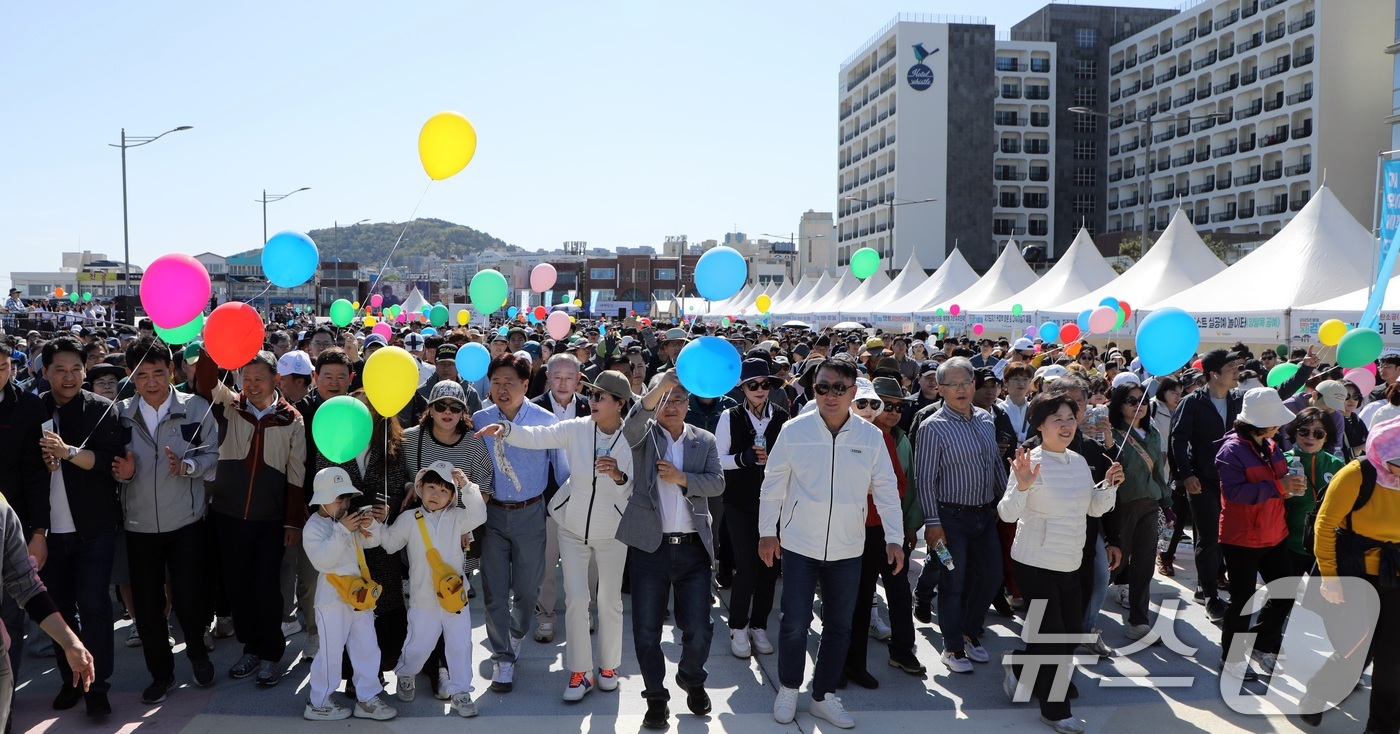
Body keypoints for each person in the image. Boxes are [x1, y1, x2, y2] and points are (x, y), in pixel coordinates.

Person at [759, 358, 904, 729]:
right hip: (799, 545)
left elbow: (887, 489)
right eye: (823, 387)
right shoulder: (794, 430)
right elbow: (773, 484)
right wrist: (767, 532)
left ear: (854, 392)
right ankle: (789, 687)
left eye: (839, 388)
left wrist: (894, 538)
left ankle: (823, 695)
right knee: (793, 622)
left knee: (840, 625)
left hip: (848, 548)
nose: (831, 395)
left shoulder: (871, 437)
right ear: (813, 390)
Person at [476, 369, 634, 702]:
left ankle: (608, 667)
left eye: (600, 397)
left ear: (619, 403)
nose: (591, 401)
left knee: (609, 601)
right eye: (590, 395)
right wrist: (505, 429)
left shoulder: (634, 436)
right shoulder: (575, 428)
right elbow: (536, 436)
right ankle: (580, 673)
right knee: (576, 600)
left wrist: (619, 477)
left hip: (614, 532)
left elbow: (634, 489)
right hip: (572, 528)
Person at [999, 394, 1122, 734]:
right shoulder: (1028, 461)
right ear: (1040, 425)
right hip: (1034, 562)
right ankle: (1055, 710)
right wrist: (1022, 486)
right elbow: (1007, 512)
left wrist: (1109, 487)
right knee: (1052, 636)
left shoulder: (1079, 461)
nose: (1067, 425)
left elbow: (1093, 508)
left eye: (1071, 417)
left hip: (1071, 560)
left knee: (1066, 634)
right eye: (1058, 419)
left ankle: (1021, 668)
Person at [109, 337, 219, 703]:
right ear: (131, 377)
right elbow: (108, 467)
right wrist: (120, 473)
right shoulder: (119, 414)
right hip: (138, 527)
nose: (152, 382)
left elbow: (212, 458)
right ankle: (161, 674)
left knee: (189, 599)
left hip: (186, 523)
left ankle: (199, 657)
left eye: (158, 372)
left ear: (171, 371)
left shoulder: (196, 407)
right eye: (142, 375)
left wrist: (186, 466)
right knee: (148, 608)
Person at [616, 370, 725, 730]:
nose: (671, 405)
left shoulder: (704, 440)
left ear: (689, 404)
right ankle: (656, 699)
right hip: (651, 549)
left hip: (694, 550)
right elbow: (632, 423)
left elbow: (717, 483)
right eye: (665, 399)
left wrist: (683, 479)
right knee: (646, 632)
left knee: (700, 628)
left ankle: (692, 677)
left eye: (678, 399)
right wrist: (659, 386)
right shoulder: (644, 438)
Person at [196, 348, 307, 687]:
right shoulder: (231, 405)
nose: (252, 384)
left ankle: (272, 654)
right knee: (238, 587)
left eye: (260, 378)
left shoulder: (292, 419)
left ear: (277, 380)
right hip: (228, 515)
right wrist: (212, 347)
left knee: (267, 589)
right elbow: (204, 381)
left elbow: (296, 474)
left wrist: (292, 522)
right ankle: (251, 648)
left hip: (270, 520)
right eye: (247, 377)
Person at [36, 337, 123, 716]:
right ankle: (70, 680)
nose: (69, 377)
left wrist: (68, 453)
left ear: (85, 370)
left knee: (95, 607)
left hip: (94, 528)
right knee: (59, 611)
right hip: (46, 534)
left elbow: (109, 463)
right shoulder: (29, 409)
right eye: (60, 369)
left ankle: (97, 687)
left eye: (76, 369)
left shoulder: (102, 410)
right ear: (44, 372)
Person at [472, 354, 561, 693]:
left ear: (526, 385)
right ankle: (503, 658)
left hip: (531, 513)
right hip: (491, 513)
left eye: (510, 382)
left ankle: (518, 632)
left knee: (526, 590)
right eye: (496, 382)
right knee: (494, 591)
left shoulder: (545, 420)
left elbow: (561, 469)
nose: (502, 389)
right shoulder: (479, 417)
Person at [915, 356, 1006, 674]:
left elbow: (995, 464)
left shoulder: (985, 419)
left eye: (966, 382)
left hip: (985, 517)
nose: (961, 389)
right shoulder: (932, 427)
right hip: (949, 520)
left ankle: (969, 630)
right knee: (952, 580)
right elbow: (924, 479)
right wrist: (932, 523)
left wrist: (1007, 501)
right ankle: (952, 647)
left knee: (993, 577)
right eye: (952, 384)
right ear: (939, 389)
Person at [1307, 420, 1400, 730]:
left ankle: (1381, 727)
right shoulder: (1356, 474)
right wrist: (1330, 578)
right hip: (1357, 573)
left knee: (1393, 659)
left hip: (1396, 573)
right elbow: (1324, 525)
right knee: (1356, 650)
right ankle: (1318, 692)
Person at [380, 461, 488, 718]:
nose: (435, 494)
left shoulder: (459, 517)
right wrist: (377, 525)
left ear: (452, 496)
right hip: (423, 598)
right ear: (420, 488)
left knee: (461, 645)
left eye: (444, 490)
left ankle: (461, 691)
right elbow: (390, 543)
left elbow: (480, 515)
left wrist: (467, 486)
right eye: (430, 487)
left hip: (455, 598)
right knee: (419, 643)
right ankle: (406, 672)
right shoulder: (409, 518)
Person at [314, 391, 409, 683]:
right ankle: (353, 676)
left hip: (379, 540)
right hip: (344, 539)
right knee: (352, 608)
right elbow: (325, 492)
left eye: (370, 406)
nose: (365, 412)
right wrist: (350, 513)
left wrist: (384, 508)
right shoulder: (330, 446)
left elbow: (396, 485)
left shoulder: (392, 445)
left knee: (382, 605)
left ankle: (376, 673)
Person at [1215, 387, 1299, 681]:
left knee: (1285, 592)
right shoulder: (1231, 450)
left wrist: (1287, 488)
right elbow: (1234, 492)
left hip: (1274, 531)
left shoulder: (1272, 445)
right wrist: (1280, 488)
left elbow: (1278, 480)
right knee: (1242, 602)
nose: (1280, 426)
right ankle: (1232, 658)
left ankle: (1262, 643)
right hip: (1242, 538)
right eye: (1275, 420)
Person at [299, 467, 397, 722]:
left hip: (359, 597)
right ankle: (318, 701)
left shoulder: (345, 522)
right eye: (337, 498)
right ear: (321, 498)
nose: (344, 504)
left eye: (346, 498)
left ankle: (367, 698)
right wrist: (343, 530)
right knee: (331, 652)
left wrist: (371, 525)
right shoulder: (313, 526)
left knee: (367, 646)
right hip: (331, 600)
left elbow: (371, 543)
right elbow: (323, 561)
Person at [845, 376, 925, 685]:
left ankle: (903, 650)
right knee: (858, 600)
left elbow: (902, 485)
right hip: (850, 530)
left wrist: (904, 525)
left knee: (900, 593)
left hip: (884, 529)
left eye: (895, 407)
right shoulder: (838, 434)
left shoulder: (889, 440)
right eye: (879, 405)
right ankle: (849, 664)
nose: (887, 412)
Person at [714, 359, 787, 660]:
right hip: (739, 502)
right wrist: (743, 458)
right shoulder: (729, 417)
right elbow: (718, 460)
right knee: (746, 566)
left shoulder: (782, 416)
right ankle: (738, 626)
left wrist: (777, 462)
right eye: (753, 384)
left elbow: (794, 458)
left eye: (765, 384)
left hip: (774, 502)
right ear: (742, 387)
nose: (760, 390)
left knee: (770, 566)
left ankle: (759, 625)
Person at [531, 354, 590, 644]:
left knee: (585, 562)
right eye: (557, 376)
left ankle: (585, 612)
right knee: (545, 563)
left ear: (579, 378)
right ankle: (545, 616)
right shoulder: (533, 409)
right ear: (548, 377)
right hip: (547, 500)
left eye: (569, 376)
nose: (563, 382)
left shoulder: (592, 407)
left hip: (585, 499)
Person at [1104, 382, 1168, 641]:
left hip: (1149, 505)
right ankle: (1083, 613)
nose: (1138, 406)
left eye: (1142, 400)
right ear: (1119, 404)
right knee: (1113, 564)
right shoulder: (1112, 433)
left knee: (1144, 565)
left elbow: (1158, 472)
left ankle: (1139, 620)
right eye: (1131, 401)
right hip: (1121, 506)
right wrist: (1107, 441)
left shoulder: (1153, 432)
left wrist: (1167, 500)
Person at [1281, 407, 1344, 574]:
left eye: (1318, 433)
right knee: (1283, 597)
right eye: (1304, 431)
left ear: (1327, 437)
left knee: (1320, 599)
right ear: (1294, 432)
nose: (1310, 437)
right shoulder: (1280, 462)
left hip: (1326, 546)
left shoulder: (1337, 465)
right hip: (1289, 543)